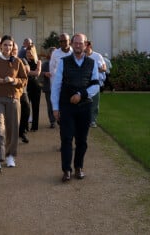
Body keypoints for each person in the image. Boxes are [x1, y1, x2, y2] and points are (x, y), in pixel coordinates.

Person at [51, 33, 100, 182]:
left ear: (86, 45)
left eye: (81, 43)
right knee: (66, 139)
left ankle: (78, 167)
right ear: (72, 44)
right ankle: (66, 170)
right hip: (67, 106)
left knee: (82, 140)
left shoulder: (92, 63)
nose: (78, 45)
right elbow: (56, 86)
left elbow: (96, 85)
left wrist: (81, 94)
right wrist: (55, 107)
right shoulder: (63, 62)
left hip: (84, 107)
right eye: (76, 43)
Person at [0, 35, 28, 174]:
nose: (8, 48)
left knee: (13, 128)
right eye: (5, 45)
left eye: (10, 45)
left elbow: (24, 80)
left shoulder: (18, 62)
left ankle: (10, 155)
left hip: (13, 98)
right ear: (0, 46)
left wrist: (14, 80)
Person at [12, 43, 32, 144]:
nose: (14, 50)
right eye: (13, 49)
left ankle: (22, 131)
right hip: (11, 91)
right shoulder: (6, 60)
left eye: (15, 49)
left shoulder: (21, 59)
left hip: (22, 90)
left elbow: (27, 69)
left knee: (26, 109)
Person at [84, 40, 106, 128]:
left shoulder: (97, 56)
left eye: (85, 45)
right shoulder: (81, 56)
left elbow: (104, 68)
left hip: (95, 82)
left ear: (89, 46)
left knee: (94, 103)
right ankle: (84, 120)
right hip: (84, 82)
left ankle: (93, 121)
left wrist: (95, 70)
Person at [25, 43, 42, 131]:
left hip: (36, 86)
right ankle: (25, 126)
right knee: (26, 107)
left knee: (35, 107)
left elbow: (37, 73)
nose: (28, 54)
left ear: (33, 52)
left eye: (30, 52)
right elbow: (24, 73)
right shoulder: (24, 61)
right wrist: (32, 72)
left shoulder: (38, 62)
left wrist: (28, 72)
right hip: (26, 86)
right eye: (27, 52)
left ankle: (35, 126)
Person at [41, 47, 57, 128]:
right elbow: (40, 73)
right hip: (49, 87)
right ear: (50, 54)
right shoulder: (45, 64)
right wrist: (45, 73)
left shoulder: (60, 62)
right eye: (52, 53)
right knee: (50, 105)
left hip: (58, 88)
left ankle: (60, 119)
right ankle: (52, 121)